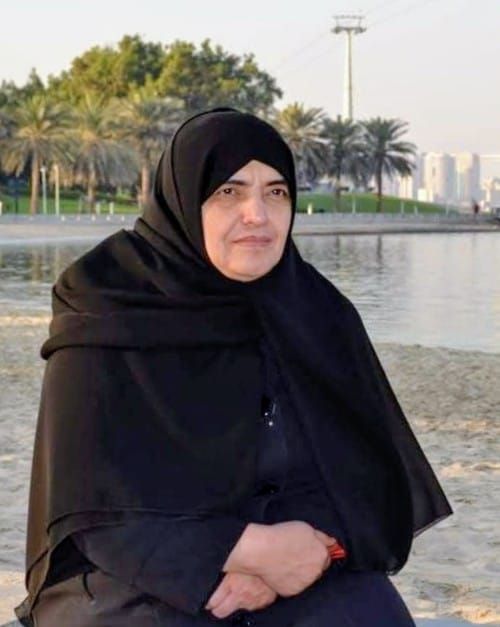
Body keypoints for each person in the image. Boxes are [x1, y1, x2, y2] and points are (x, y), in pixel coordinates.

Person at [15, 108, 452, 626]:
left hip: (297, 563)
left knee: (370, 612)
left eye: (276, 192)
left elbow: (363, 477)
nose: (257, 215)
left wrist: (305, 555)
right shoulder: (106, 303)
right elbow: (89, 503)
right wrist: (241, 553)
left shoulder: (317, 312)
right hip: (133, 571)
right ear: (184, 199)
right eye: (229, 192)